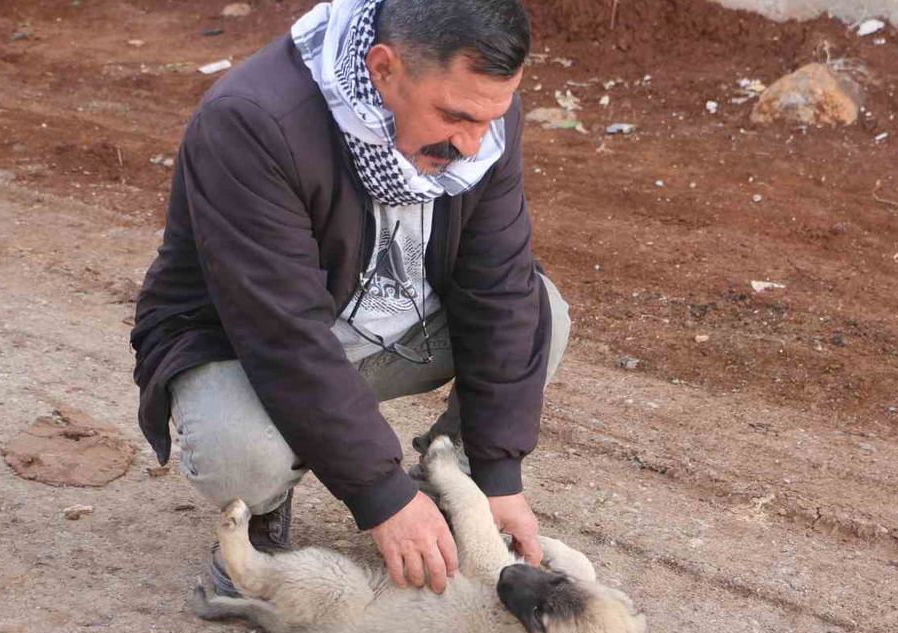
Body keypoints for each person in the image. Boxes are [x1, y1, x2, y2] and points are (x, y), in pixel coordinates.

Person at [129, 0, 570, 597]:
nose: (472, 145)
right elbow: (282, 333)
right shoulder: (253, 121)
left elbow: (498, 288)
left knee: (542, 312)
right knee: (242, 454)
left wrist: (496, 476)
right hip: (251, 345)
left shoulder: (481, 118)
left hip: (390, 330)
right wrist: (381, 495)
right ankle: (266, 507)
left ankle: (452, 487)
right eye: (454, 117)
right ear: (383, 69)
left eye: (489, 118)